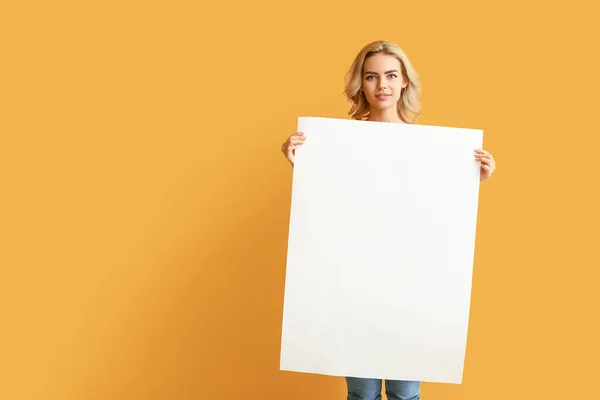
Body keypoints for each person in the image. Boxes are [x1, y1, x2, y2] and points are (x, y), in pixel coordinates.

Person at [280, 40, 496, 400]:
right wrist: (303, 165)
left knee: (405, 396)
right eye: (372, 76)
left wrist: (472, 181)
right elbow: (332, 205)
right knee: (362, 396)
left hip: (412, 286)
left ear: (405, 82)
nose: (382, 85)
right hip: (355, 283)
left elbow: (437, 216)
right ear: (360, 85)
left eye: (391, 75)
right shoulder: (339, 143)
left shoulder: (433, 148)